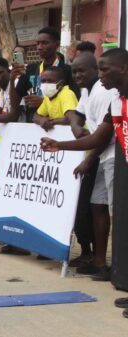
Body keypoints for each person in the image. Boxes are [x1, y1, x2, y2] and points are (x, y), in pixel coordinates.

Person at [40, 47, 128, 319]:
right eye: (99, 69)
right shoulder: (116, 99)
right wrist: (61, 144)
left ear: (123, 69)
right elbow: (100, 137)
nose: (100, 75)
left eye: (105, 69)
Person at [63, 53, 117, 278]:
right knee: (97, 206)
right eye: (74, 72)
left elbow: (105, 134)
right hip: (102, 156)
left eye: (82, 71)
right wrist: (76, 127)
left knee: (115, 212)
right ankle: (98, 262)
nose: (77, 76)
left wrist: (88, 159)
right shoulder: (87, 91)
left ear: (96, 69)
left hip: (110, 155)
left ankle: (118, 266)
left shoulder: (106, 92)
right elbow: (77, 115)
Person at [16, 27, 80, 122]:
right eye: (37, 43)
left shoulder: (68, 70)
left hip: (57, 126)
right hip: (32, 124)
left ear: (57, 44)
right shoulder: (30, 69)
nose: (39, 47)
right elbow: (17, 97)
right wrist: (14, 76)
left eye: (44, 43)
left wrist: (43, 102)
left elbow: (75, 100)